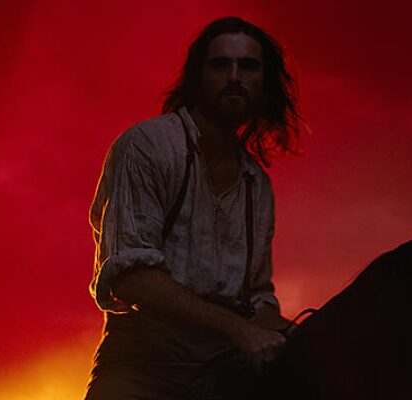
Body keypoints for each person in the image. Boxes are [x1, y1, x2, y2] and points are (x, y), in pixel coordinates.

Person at [84, 16, 305, 399]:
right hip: (143, 367)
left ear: (264, 83)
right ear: (197, 78)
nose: (234, 77)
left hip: (225, 370)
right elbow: (131, 277)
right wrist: (239, 330)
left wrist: (308, 335)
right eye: (220, 65)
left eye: (248, 66)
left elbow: (256, 299)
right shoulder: (148, 146)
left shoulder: (255, 184)